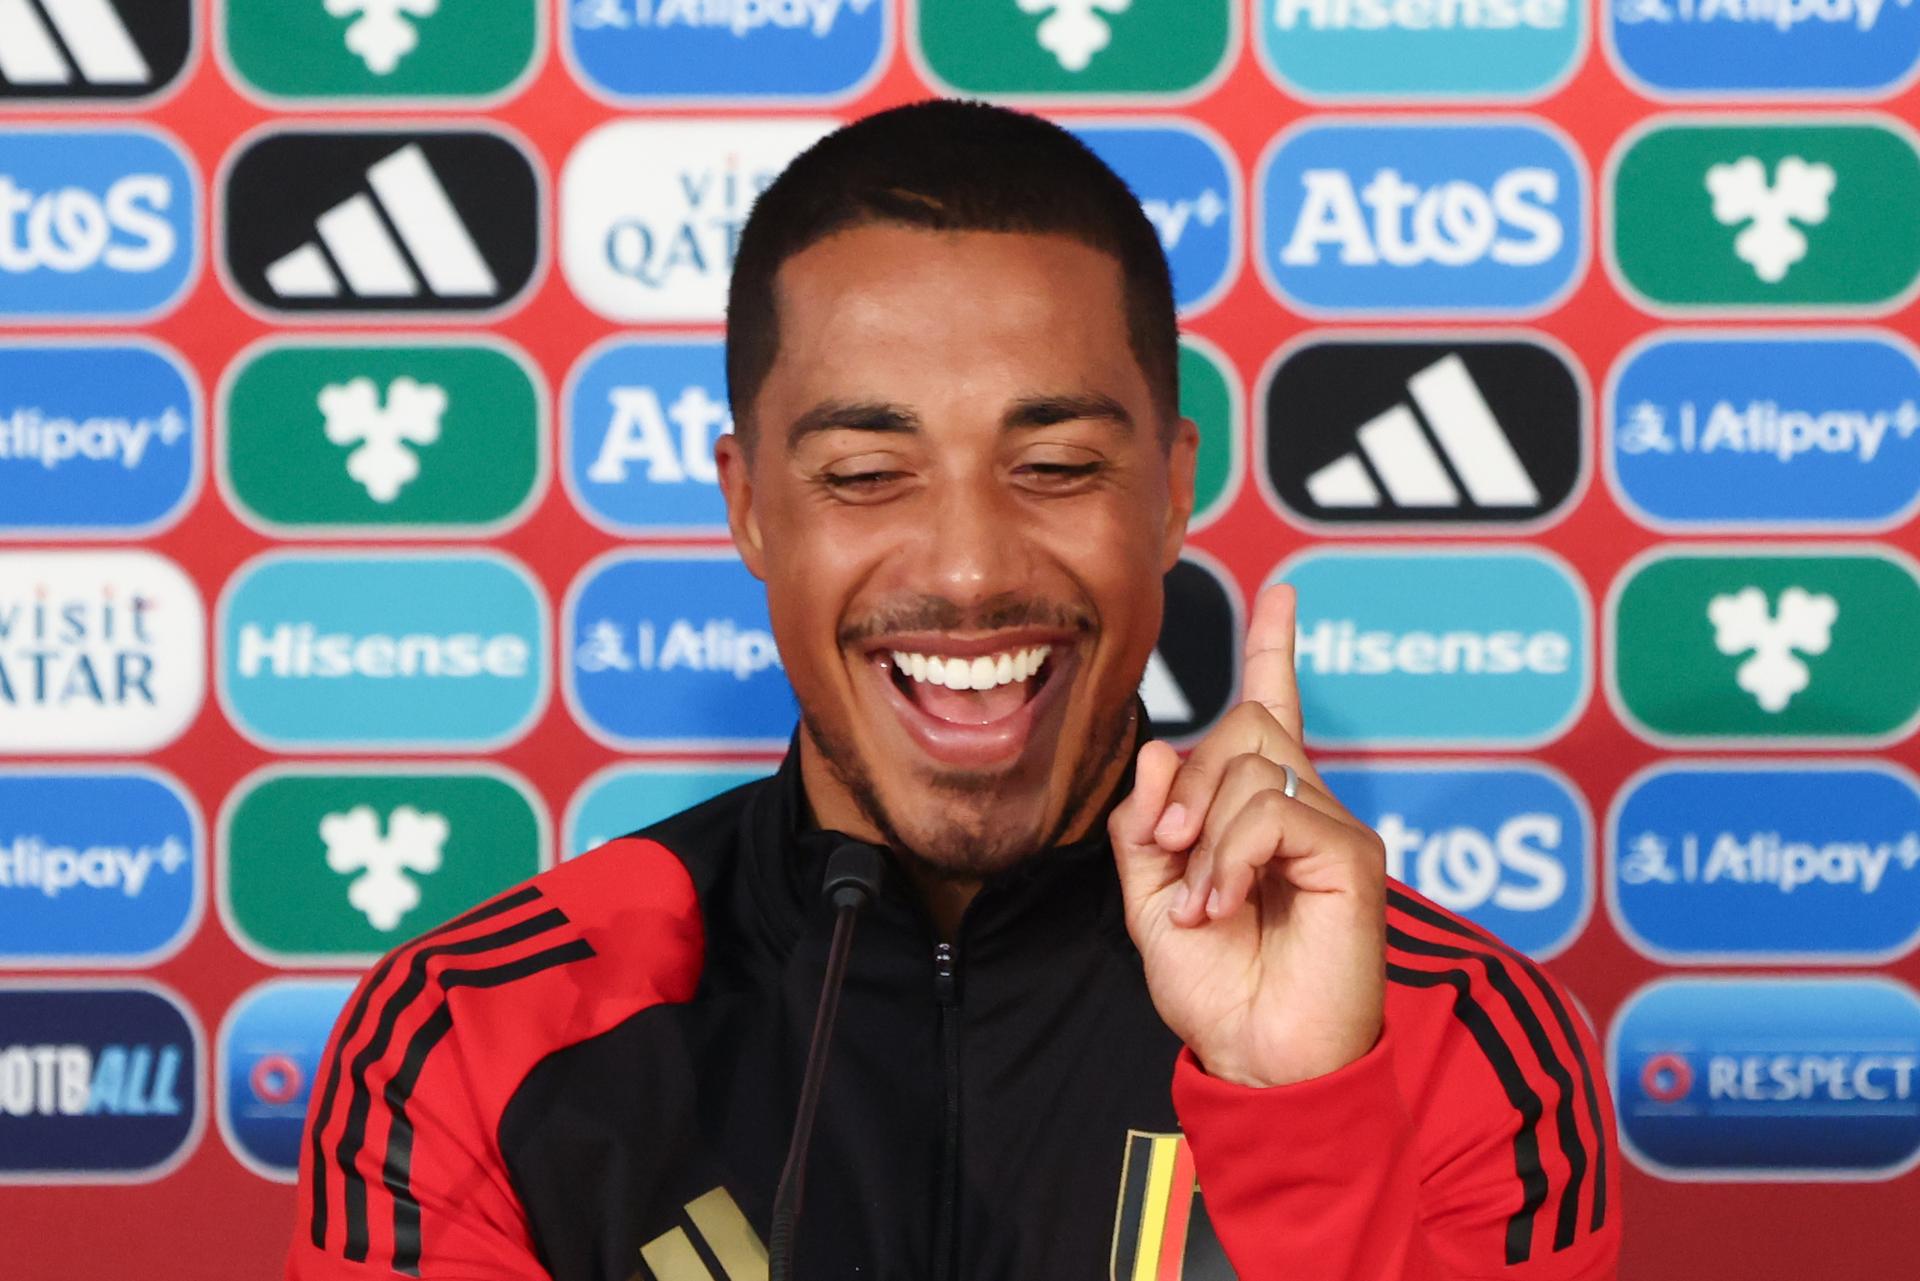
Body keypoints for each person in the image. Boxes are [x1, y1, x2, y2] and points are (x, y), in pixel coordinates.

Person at [286, 99, 1620, 1281]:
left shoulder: (1459, 1042)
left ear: (1170, 492)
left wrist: (1303, 1111)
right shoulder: (471, 1038)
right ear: (751, 509)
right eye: (867, 474)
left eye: (1054, 466)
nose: (971, 569)